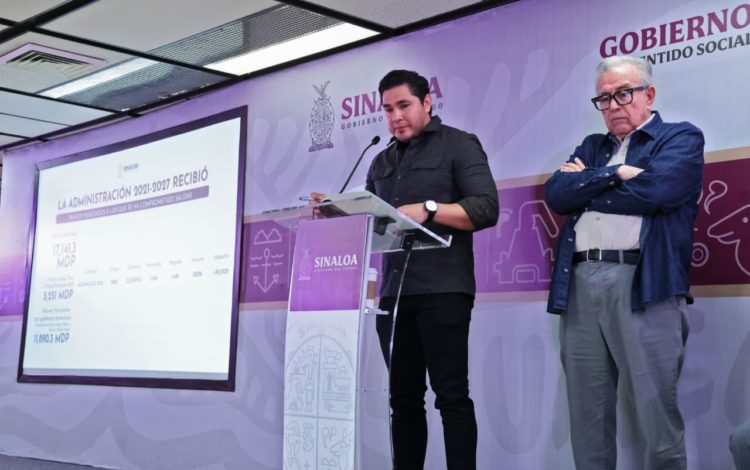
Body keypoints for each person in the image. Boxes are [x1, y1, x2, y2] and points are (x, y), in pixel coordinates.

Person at [315, 69, 498, 469]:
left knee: (451, 396)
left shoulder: (459, 145)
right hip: (394, 296)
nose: (395, 116)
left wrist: (430, 209)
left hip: (443, 290)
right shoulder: (380, 160)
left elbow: (486, 208)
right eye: (388, 109)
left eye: (404, 105)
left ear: (427, 102)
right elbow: (371, 221)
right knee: (403, 400)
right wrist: (335, 213)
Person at [545, 55, 704, 469]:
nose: (613, 105)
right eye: (604, 98)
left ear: (648, 94)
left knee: (656, 415)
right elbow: (558, 195)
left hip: (642, 283)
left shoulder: (679, 137)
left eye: (624, 94)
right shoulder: (592, 146)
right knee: (587, 418)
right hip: (579, 284)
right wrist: (617, 174)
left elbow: (658, 193)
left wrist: (586, 185)